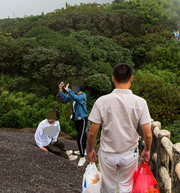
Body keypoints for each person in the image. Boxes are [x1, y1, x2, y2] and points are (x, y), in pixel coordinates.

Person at [86, 63, 152, 193]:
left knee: (108, 187)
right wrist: (147, 149)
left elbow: (92, 133)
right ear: (131, 79)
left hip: (107, 153)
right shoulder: (140, 102)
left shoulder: (101, 101)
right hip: (129, 154)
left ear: (113, 79)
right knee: (126, 187)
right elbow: (148, 134)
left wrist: (90, 149)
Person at [57, 80, 88, 167]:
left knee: (80, 138)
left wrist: (68, 90)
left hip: (82, 119)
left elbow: (76, 99)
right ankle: (83, 150)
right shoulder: (72, 96)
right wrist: (60, 89)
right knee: (81, 135)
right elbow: (65, 98)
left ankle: (82, 157)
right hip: (76, 119)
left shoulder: (82, 95)